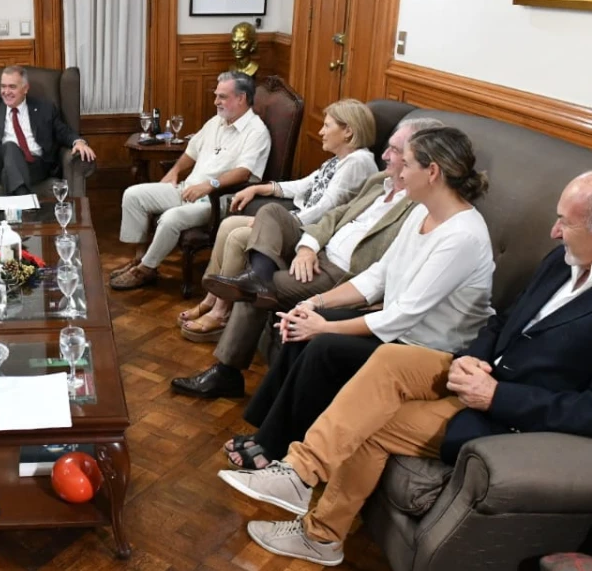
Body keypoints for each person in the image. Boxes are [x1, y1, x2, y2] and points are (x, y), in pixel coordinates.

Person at [235, 168, 592, 568]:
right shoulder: (566, 257)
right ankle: (299, 472)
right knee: (388, 360)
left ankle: (321, 536)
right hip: (482, 371)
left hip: (515, 414)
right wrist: (476, 357)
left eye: (565, 222)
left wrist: (497, 396)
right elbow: (505, 321)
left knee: (375, 422)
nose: (554, 232)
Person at [217, 126, 493, 487]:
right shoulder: (420, 212)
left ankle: (275, 446)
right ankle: (267, 433)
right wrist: (313, 303)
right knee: (304, 324)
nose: (398, 171)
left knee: (323, 345)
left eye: (407, 163)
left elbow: (402, 316)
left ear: (433, 172)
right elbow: (379, 275)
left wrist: (324, 327)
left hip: (429, 349)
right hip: (399, 329)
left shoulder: (463, 236)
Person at [171, 118, 440, 399]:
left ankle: (227, 372)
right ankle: (258, 278)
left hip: (341, 273)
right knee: (271, 212)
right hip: (319, 249)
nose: (384, 155)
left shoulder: (420, 204)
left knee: (254, 290)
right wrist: (307, 247)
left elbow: (387, 267)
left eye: (395, 151)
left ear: (418, 160)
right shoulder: (379, 182)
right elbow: (335, 214)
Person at [179, 99, 379, 341]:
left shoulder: (358, 162)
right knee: (228, 224)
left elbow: (326, 208)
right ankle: (211, 299)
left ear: (348, 131)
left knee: (238, 236)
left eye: (327, 126)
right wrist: (261, 188)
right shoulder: (340, 159)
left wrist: (276, 222)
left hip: (313, 230)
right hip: (299, 221)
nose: (320, 131)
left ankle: (221, 313)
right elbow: (303, 185)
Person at [110, 72, 271, 290]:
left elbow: (244, 172)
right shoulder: (216, 121)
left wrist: (209, 185)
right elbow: (192, 150)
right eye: (216, 96)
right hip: (187, 190)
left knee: (170, 218)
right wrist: (175, 171)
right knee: (133, 195)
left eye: (222, 97)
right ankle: (139, 258)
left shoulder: (257, 132)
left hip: (217, 201)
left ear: (241, 98)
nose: (216, 102)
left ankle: (146, 269)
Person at [0, 65, 97, 195]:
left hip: (35, 165)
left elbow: (63, 131)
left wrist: (78, 142)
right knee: (10, 147)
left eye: (12, 87)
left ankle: (16, 208)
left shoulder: (45, 108)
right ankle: (25, 203)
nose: (6, 92)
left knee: (9, 172)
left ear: (25, 88)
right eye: (3, 86)